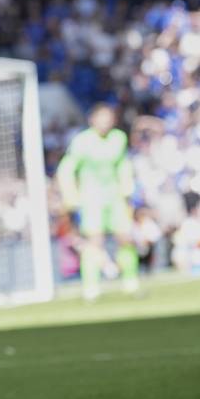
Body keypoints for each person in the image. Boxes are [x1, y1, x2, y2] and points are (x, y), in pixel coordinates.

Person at [56, 103, 139, 301]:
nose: (105, 122)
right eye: (101, 118)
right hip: (91, 197)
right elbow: (66, 169)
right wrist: (71, 197)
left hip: (115, 196)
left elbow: (123, 165)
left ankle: (130, 281)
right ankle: (91, 287)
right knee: (94, 241)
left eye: (108, 118)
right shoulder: (82, 141)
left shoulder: (118, 138)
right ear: (92, 120)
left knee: (125, 237)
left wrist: (127, 190)